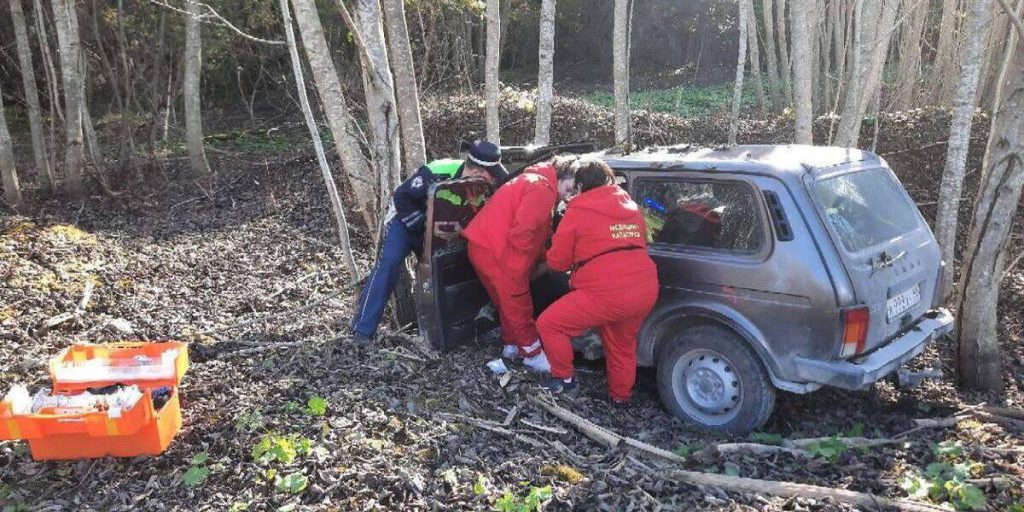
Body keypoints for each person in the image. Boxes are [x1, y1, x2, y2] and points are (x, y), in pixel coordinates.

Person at [351, 140, 508, 344]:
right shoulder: (439, 170)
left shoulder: (482, 187)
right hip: (407, 223)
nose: (493, 178)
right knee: (388, 265)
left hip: (443, 229)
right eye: (490, 173)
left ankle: (449, 330)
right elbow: (401, 196)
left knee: (444, 272)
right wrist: (423, 225)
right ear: (477, 170)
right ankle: (362, 330)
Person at [536, 159, 659, 402]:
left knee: (549, 324)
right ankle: (621, 397)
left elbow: (559, 263)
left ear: (580, 186)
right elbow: (640, 242)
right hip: (644, 288)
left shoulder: (578, 211)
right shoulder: (631, 206)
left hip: (606, 292)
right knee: (622, 346)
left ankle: (563, 380)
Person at [462, 159, 577, 372]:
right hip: (497, 251)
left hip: (482, 246)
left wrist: (541, 258)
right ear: (561, 176)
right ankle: (532, 355)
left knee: (505, 303)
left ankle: (512, 346)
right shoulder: (542, 188)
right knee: (518, 302)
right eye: (569, 188)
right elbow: (524, 232)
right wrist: (519, 272)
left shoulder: (535, 182)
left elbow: (539, 232)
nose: (568, 196)